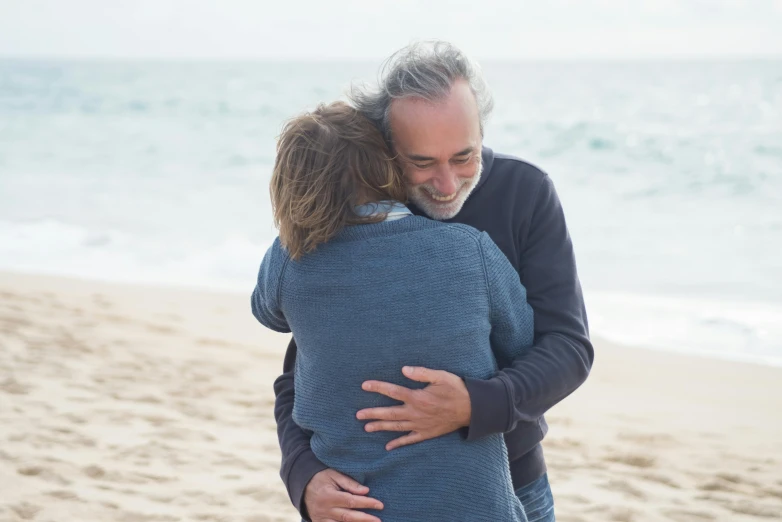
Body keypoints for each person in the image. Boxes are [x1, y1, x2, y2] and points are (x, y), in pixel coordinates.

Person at [274, 41, 593, 522]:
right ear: (384, 148)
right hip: (368, 498)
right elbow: (301, 371)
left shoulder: (525, 193)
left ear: (482, 130)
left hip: (514, 486)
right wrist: (302, 474)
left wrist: (477, 403)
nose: (446, 184)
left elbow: (568, 348)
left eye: (464, 156)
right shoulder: (349, 213)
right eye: (421, 163)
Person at [251, 100, 532, 521]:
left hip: (357, 506)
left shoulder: (290, 259)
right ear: (388, 168)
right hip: (474, 506)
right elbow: (522, 339)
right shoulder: (468, 249)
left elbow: (267, 313)